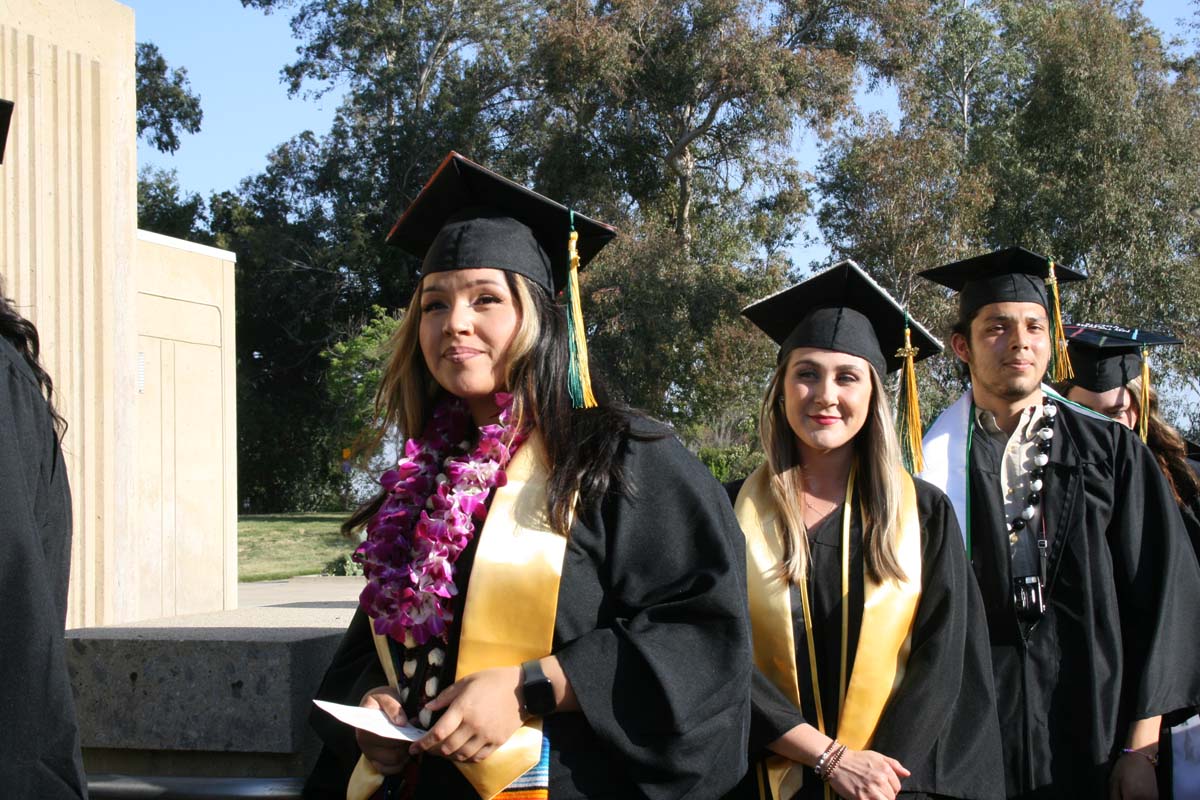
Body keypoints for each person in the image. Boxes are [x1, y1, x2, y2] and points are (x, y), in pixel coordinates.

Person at [303, 152, 752, 800]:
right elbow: (365, 654)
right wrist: (371, 707)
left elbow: (702, 637)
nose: (454, 323)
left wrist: (531, 686)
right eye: (434, 304)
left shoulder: (620, 456)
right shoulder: (419, 482)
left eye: (485, 298)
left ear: (538, 315)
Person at [919, 247, 1200, 799]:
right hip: (974, 738)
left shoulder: (1111, 451)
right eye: (996, 327)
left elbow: (1164, 599)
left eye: (1034, 326)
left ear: (1053, 341)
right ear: (962, 346)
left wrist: (1140, 751)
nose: (1019, 341)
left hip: (1095, 728)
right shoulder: (925, 463)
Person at [724, 261, 1004, 800]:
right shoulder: (727, 510)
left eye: (847, 377)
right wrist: (826, 757)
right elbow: (713, 651)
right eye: (806, 372)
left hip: (890, 785)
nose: (825, 394)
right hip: (755, 776)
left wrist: (877, 771)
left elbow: (942, 659)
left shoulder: (924, 514)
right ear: (780, 389)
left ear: (874, 395)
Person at [1058, 322, 1200, 552]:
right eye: (1083, 412)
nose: (1101, 427)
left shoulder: (1186, 482)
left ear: (1139, 409)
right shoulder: (1043, 479)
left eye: (1114, 413)